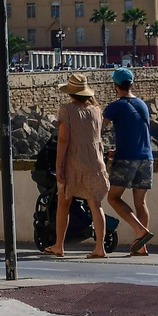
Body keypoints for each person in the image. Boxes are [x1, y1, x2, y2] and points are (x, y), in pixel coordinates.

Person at [46, 73, 109, 258]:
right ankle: (100, 247)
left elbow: (63, 140)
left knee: (64, 203)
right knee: (95, 203)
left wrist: (59, 165)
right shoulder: (97, 110)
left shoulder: (66, 110)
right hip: (95, 161)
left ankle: (59, 245)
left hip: (74, 161)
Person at [103, 67, 156, 255]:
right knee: (140, 202)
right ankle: (141, 245)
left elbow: (98, 128)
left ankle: (140, 230)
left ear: (115, 86)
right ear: (132, 84)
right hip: (147, 158)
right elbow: (138, 134)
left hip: (127, 159)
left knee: (113, 197)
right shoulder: (142, 105)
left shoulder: (115, 106)